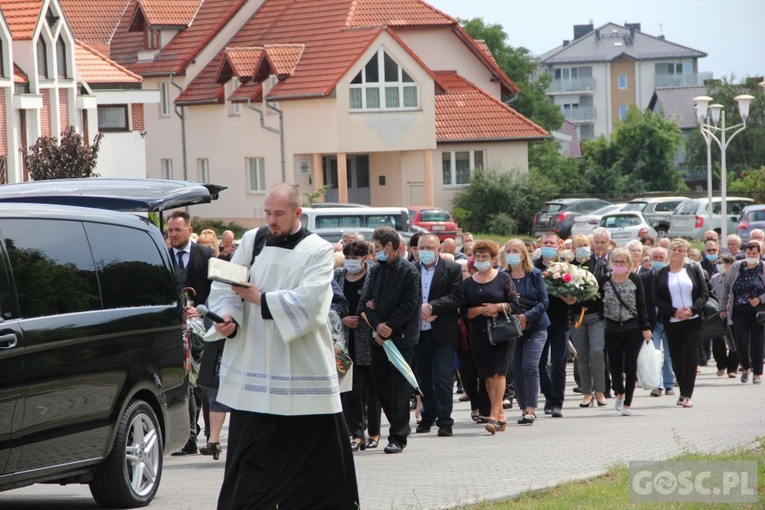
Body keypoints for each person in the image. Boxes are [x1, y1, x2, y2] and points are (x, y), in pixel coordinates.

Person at [207, 183, 359, 508]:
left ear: (297, 212)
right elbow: (225, 284)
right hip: (254, 367)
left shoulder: (317, 249)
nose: (272, 220)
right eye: (267, 213)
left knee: (315, 466)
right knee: (249, 466)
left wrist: (259, 299)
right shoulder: (253, 240)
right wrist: (228, 318)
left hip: (301, 368)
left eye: (279, 214)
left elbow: (313, 302)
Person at [361, 226, 421, 454]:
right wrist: (377, 325)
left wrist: (390, 327)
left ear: (389, 246)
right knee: (379, 384)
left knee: (399, 388)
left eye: (377, 248)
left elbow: (409, 305)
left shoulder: (408, 272)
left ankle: (398, 435)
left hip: (401, 338)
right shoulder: (375, 271)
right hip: (378, 337)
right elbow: (367, 303)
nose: (375, 252)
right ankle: (399, 425)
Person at [166, 210, 215, 456]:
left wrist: (202, 310)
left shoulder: (205, 255)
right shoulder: (162, 257)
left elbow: (218, 291)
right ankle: (188, 438)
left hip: (202, 330)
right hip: (175, 331)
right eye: (170, 230)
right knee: (184, 384)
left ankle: (210, 437)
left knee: (202, 384)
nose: (173, 234)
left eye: (178, 229)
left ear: (189, 230)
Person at [414, 234, 464, 437]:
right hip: (419, 333)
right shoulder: (411, 269)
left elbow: (457, 297)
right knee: (423, 379)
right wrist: (419, 310)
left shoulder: (451, 269)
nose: (425, 250)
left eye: (429, 247)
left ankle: (445, 420)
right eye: (421, 247)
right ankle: (428, 416)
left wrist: (433, 308)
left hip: (443, 332)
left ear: (439, 249)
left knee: (442, 378)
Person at [463, 240, 516, 434]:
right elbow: (464, 311)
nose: (481, 260)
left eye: (485, 257)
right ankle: (501, 415)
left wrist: (498, 307)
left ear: (493, 259)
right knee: (486, 376)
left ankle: (493, 416)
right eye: (478, 256)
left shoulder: (503, 278)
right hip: (478, 333)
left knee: (498, 373)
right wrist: (481, 310)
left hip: (501, 332)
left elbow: (515, 304)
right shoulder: (468, 282)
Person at [335, 240, 381, 452]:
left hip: (368, 339)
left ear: (366, 258)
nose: (351, 262)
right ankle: (356, 433)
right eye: (349, 257)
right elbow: (328, 302)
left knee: (371, 388)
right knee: (349, 388)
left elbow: (380, 303)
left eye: (356, 257)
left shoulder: (375, 275)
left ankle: (374, 432)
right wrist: (342, 318)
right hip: (342, 340)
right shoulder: (337, 276)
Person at [654, 238, 709, 408]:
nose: (677, 253)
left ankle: (687, 394)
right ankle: (682, 391)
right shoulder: (660, 274)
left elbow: (704, 292)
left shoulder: (693, 269)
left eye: (681, 250)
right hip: (672, 321)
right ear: (668, 252)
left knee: (689, 355)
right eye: (674, 250)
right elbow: (656, 298)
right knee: (676, 356)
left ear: (686, 254)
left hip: (692, 320)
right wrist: (674, 312)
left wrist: (692, 309)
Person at [601, 248, 652, 416]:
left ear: (629, 264)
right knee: (614, 365)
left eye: (623, 262)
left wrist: (645, 327)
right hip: (612, 327)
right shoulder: (605, 280)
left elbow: (642, 305)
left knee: (630, 366)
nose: (619, 265)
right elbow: (596, 302)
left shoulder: (635, 279)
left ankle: (628, 403)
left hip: (633, 328)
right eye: (616, 261)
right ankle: (620, 392)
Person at [505, 239, 549, 424]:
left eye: (516, 250)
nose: (512, 254)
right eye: (509, 251)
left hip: (536, 326)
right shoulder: (503, 276)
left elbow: (544, 301)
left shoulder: (535, 274)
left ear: (523, 254)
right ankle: (524, 407)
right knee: (516, 368)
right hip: (512, 328)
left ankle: (531, 408)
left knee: (530, 366)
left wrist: (526, 317)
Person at [569, 234, 609, 407]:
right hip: (577, 317)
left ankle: (600, 391)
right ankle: (586, 392)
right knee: (582, 356)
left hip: (596, 316)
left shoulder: (600, 266)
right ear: (572, 249)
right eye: (579, 245)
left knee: (597, 352)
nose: (583, 248)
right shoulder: (567, 269)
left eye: (585, 244)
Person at [534, 232, 571, 418]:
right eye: (545, 243)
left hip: (560, 321)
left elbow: (574, 298)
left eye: (552, 243)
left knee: (559, 363)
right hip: (539, 322)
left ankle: (557, 403)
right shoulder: (533, 268)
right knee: (539, 364)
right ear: (539, 245)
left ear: (559, 245)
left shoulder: (566, 268)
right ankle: (549, 395)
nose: (548, 245)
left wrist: (565, 293)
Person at [720, 241, 765, 385]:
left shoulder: (763, 268)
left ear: (760, 253)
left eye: (754, 253)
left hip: (758, 311)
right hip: (739, 309)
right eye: (749, 253)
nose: (751, 256)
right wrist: (722, 308)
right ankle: (745, 367)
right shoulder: (736, 267)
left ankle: (757, 372)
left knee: (758, 342)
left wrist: (760, 299)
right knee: (741, 341)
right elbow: (726, 288)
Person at [644, 246, 676, 397]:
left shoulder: (671, 276)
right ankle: (658, 385)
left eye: (660, 258)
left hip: (669, 320)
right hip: (652, 322)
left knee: (669, 355)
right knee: (654, 353)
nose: (657, 261)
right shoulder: (644, 278)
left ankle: (669, 384)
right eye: (654, 258)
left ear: (666, 259)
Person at [709, 253, 739, 379]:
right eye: (718, 263)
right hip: (718, 312)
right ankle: (721, 365)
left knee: (735, 340)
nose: (719, 266)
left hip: (734, 312)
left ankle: (732, 368)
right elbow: (710, 293)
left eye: (721, 263)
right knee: (718, 340)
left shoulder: (738, 277)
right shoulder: (715, 278)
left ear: (730, 265)